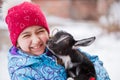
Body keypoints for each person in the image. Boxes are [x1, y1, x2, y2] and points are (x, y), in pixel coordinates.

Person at [4, 1, 110, 80]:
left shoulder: (58, 48)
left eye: (40, 31)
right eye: (26, 35)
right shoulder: (21, 73)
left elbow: (94, 61)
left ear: (47, 32)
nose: (36, 40)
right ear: (17, 42)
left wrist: (93, 76)